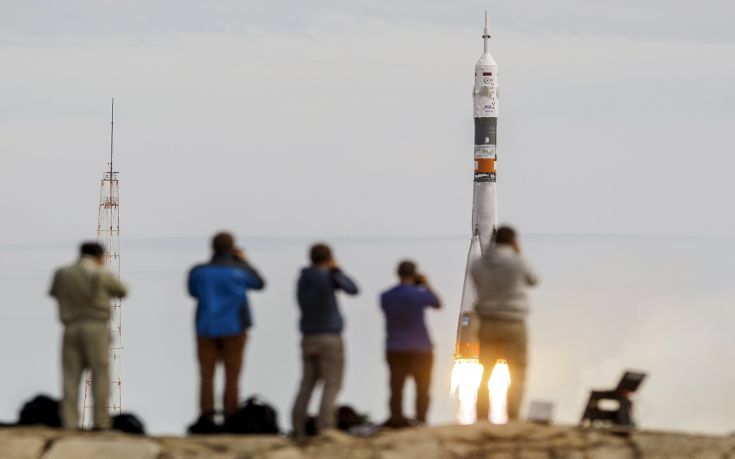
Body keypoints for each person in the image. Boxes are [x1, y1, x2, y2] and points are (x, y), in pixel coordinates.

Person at [187, 231, 265, 421]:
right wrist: (243, 261)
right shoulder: (239, 271)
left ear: (212, 247)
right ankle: (231, 416)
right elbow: (259, 283)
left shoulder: (198, 272)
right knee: (232, 376)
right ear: (232, 249)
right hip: (234, 328)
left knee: (206, 375)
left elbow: (192, 291)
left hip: (205, 328)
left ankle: (206, 416)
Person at [49, 241, 128, 430]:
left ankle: (69, 422)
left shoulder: (63, 273)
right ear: (99, 256)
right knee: (100, 374)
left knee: (70, 376)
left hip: (70, 327)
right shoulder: (100, 273)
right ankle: (101, 421)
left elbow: (54, 292)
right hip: (96, 327)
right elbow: (122, 290)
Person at [471, 225, 539, 421]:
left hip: (487, 323)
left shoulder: (477, 264)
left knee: (486, 369)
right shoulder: (518, 262)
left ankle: (482, 416)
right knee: (516, 370)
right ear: (513, 241)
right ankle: (513, 416)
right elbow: (533, 280)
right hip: (513, 323)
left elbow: (476, 283)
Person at [291, 243, 359, 438]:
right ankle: (325, 428)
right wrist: (337, 270)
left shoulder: (303, 278)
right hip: (329, 336)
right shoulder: (328, 276)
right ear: (328, 258)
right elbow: (352, 289)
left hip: (308, 336)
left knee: (307, 384)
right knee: (331, 384)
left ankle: (298, 427)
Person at [380, 260, 441, 427]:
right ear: (414, 275)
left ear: (398, 274)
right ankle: (421, 420)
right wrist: (425, 284)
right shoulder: (419, 295)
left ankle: (397, 419)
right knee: (422, 388)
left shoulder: (386, 296)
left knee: (396, 388)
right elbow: (437, 303)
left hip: (395, 347)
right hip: (421, 348)